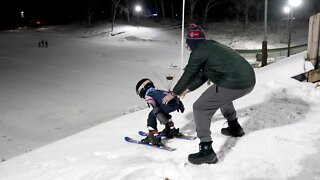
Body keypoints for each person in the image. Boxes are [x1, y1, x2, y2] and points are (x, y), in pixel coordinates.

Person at [162, 24, 256, 164]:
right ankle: (235, 127)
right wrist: (188, 89)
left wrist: (174, 93)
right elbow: (204, 74)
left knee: (200, 107)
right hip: (248, 80)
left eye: (188, 45)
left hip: (234, 83)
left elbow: (190, 73)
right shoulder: (211, 46)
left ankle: (207, 151)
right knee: (220, 97)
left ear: (192, 43)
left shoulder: (198, 51)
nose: (188, 48)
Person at [136, 78, 185, 146]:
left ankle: (153, 136)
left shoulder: (149, 95)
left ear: (142, 90)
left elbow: (154, 106)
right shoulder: (159, 91)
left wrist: (161, 118)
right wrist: (179, 104)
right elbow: (170, 95)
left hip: (167, 105)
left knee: (151, 115)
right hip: (175, 104)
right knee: (162, 110)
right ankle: (171, 130)